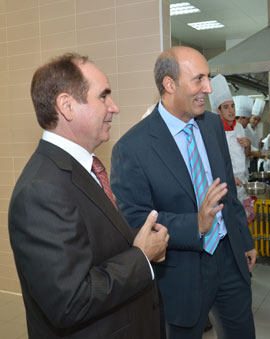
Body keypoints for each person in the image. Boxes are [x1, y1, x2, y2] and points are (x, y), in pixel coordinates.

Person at [8, 53, 169, 338]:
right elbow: (69, 302)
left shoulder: (85, 169)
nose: (114, 107)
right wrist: (141, 256)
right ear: (67, 106)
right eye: (103, 97)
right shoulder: (41, 190)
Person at [110, 46, 257, 339]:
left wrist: (244, 240)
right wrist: (196, 225)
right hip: (181, 271)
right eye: (199, 79)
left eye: (208, 78)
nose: (208, 87)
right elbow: (136, 219)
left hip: (229, 258)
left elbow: (227, 191)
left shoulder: (212, 126)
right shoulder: (132, 147)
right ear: (169, 84)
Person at [210, 75, 255, 223]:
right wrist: (229, 177)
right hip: (226, 185)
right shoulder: (214, 132)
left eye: (232, 106)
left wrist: (248, 145)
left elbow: (246, 155)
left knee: (243, 224)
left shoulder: (239, 128)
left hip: (242, 183)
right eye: (226, 107)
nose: (231, 111)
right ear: (218, 111)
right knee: (230, 224)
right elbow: (213, 163)